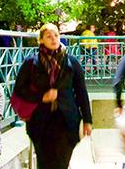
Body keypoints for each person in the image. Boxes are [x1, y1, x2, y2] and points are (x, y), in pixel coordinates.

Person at [13, 23, 92, 169]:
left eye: (56, 35)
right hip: (41, 121)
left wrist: (87, 119)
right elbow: (19, 89)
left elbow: (81, 92)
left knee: (62, 162)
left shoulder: (71, 62)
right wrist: (41, 97)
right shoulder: (31, 62)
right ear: (41, 40)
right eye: (49, 36)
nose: (53, 39)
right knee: (44, 163)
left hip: (67, 120)